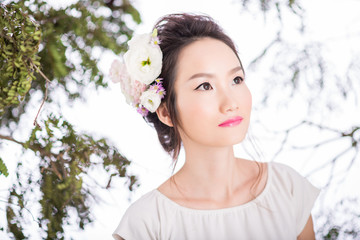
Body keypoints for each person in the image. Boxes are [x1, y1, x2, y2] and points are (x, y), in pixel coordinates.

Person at [110, 13, 320, 240]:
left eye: (236, 80)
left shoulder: (286, 188)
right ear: (166, 112)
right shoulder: (147, 224)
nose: (231, 103)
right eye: (205, 86)